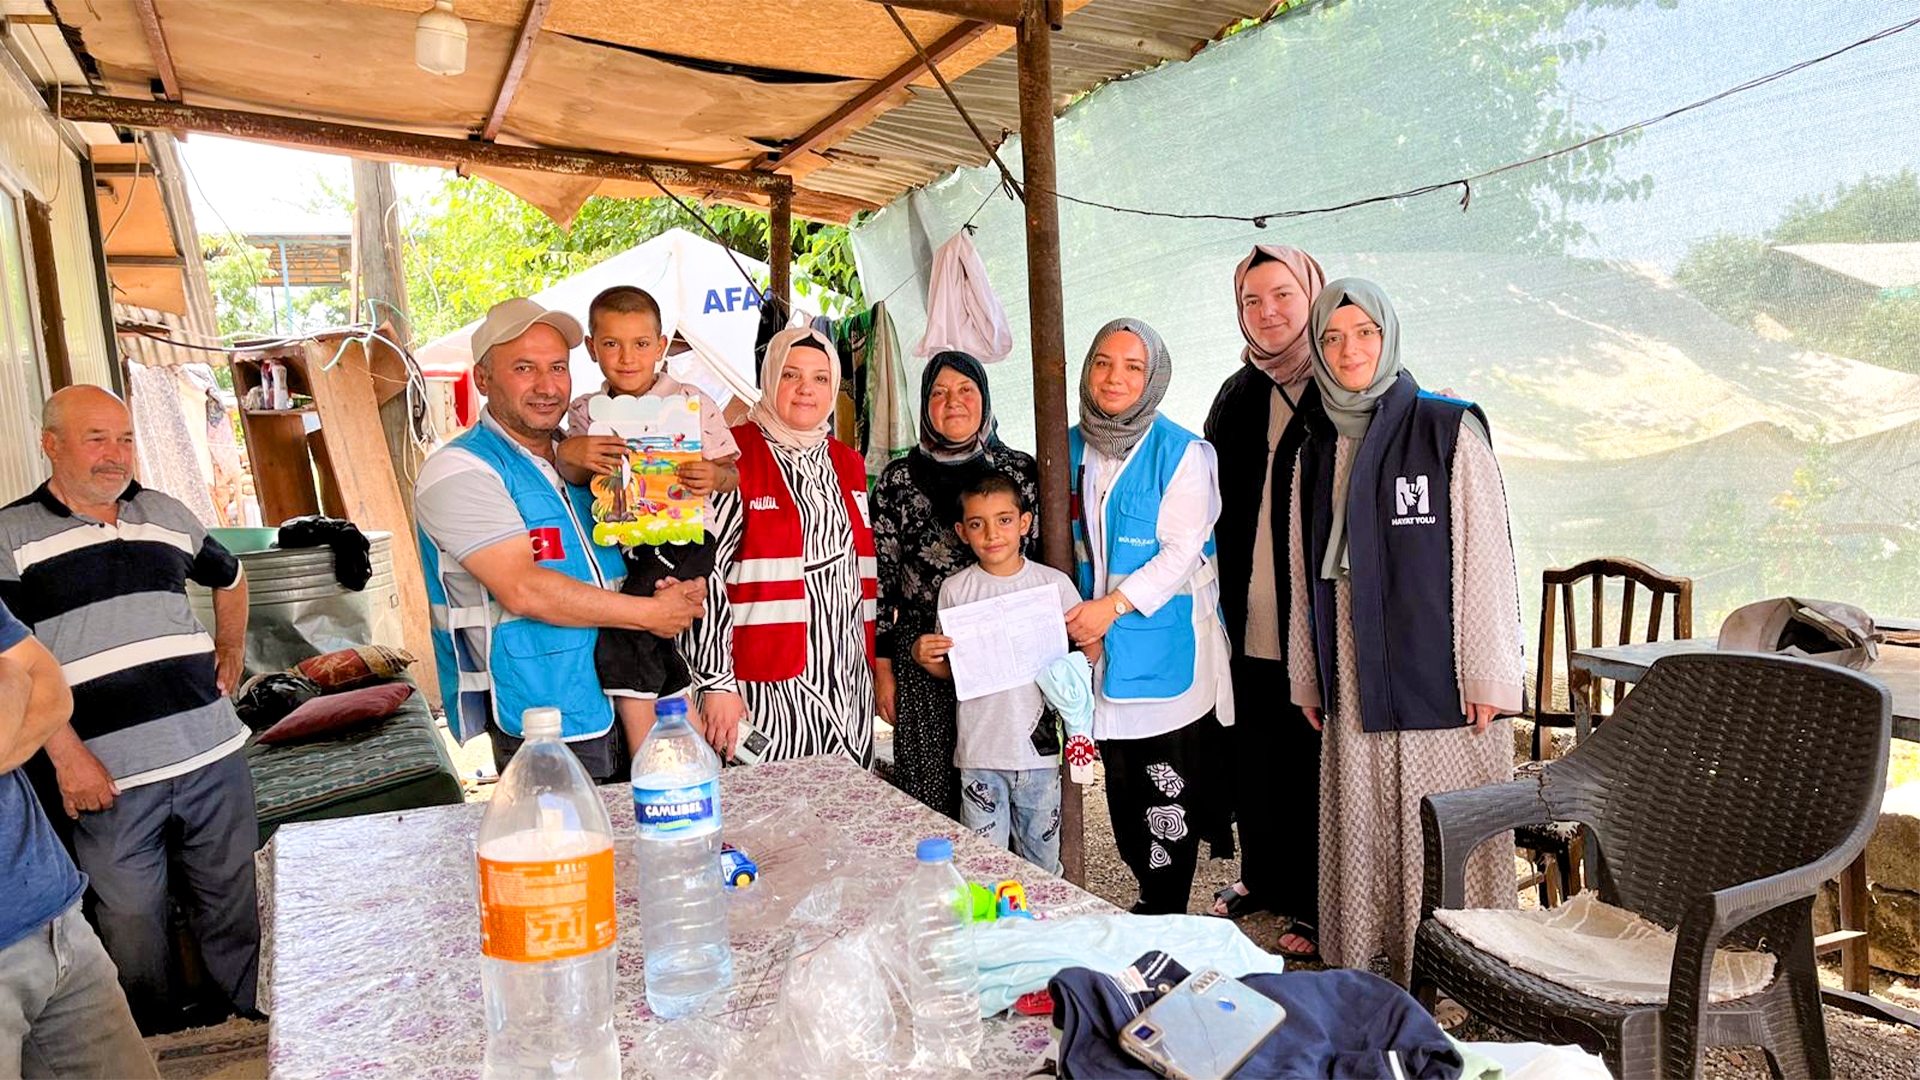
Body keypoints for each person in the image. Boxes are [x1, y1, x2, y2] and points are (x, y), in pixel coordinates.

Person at [0, 385, 261, 1034]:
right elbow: (13, 671)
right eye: (96, 439)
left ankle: (252, 1023)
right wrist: (68, 758)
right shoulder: (10, 536)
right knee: (128, 920)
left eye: (124, 439)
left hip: (211, 751)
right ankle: (154, 1040)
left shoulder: (166, 512)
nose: (116, 456)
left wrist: (231, 650)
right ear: (50, 444)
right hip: (107, 772)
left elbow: (229, 578)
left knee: (232, 899)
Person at [1286, 278, 1523, 985]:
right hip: (1355, 654)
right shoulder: (1315, 447)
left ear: (1388, 337)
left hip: (1439, 655)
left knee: (1440, 820)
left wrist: (1486, 671)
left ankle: (1466, 969)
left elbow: (1487, 557)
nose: (1348, 349)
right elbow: (1306, 571)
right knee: (1365, 812)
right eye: (1331, 337)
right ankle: (1372, 971)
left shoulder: (1448, 429)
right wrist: (1307, 670)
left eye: (1363, 333)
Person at [414, 297, 706, 783]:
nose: (547, 386)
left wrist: (677, 588)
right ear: (483, 379)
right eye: (524, 368)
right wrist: (650, 614)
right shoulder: (461, 469)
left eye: (557, 367)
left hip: (633, 691)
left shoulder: (587, 458)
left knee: (660, 834)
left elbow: (644, 546)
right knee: (573, 852)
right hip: (544, 712)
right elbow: (522, 588)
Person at [1066, 318, 1234, 915]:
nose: (1115, 378)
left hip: (1161, 646)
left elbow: (1180, 552)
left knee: (1167, 786)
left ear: (1154, 376)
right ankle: (1145, 895)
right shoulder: (1068, 445)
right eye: (1103, 362)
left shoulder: (1182, 452)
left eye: (1133, 367)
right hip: (1098, 649)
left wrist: (1108, 609)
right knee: (1121, 784)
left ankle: (1165, 908)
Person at [1202, 244, 1326, 956]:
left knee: (1312, 757)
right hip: (1243, 607)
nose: (1268, 311)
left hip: (1313, 614)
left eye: (1281, 294)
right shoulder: (1236, 393)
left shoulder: (1341, 384)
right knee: (1255, 752)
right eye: (1252, 301)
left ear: (1311, 293)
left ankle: (1315, 895)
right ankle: (1261, 876)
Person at [555, 285, 739, 752]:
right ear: (593, 348)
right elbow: (571, 475)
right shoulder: (584, 413)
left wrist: (712, 476)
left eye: (640, 344)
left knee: (626, 632)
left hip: (684, 537)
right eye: (612, 344)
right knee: (658, 644)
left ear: (661, 347)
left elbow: (733, 472)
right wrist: (574, 453)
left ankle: (644, 758)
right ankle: (698, 758)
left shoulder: (693, 402)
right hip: (621, 543)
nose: (627, 357)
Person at [685, 327, 876, 766]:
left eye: (821, 378)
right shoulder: (735, 457)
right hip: (764, 684)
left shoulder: (847, 462)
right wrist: (716, 682)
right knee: (768, 817)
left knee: (841, 811)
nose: (806, 389)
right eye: (791, 375)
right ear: (770, 379)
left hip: (846, 682)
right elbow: (706, 572)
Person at [872, 350, 1039, 817]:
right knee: (929, 798)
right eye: (939, 393)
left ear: (984, 398)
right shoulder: (897, 480)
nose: (954, 402)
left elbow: (1040, 567)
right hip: (926, 652)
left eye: (966, 390)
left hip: (1004, 656)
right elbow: (882, 583)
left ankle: (1003, 890)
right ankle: (942, 888)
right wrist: (885, 671)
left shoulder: (1018, 472)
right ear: (924, 404)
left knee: (1005, 791)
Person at [0, 598, 156, 1078]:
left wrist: (12, 678)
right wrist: (9, 679)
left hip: (57, 916)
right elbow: (15, 675)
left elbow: (45, 682)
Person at [911, 472, 1080, 874]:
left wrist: (1081, 710)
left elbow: (1085, 649)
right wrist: (925, 657)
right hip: (980, 751)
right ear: (962, 532)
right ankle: (993, 934)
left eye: (1004, 520)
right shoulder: (955, 589)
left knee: (1041, 862)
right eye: (977, 524)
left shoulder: (1053, 585)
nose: (992, 533)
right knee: (984, 864)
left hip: (1039, 753)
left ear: (1024, 523)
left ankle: (1044, 928)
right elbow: (958, 672)